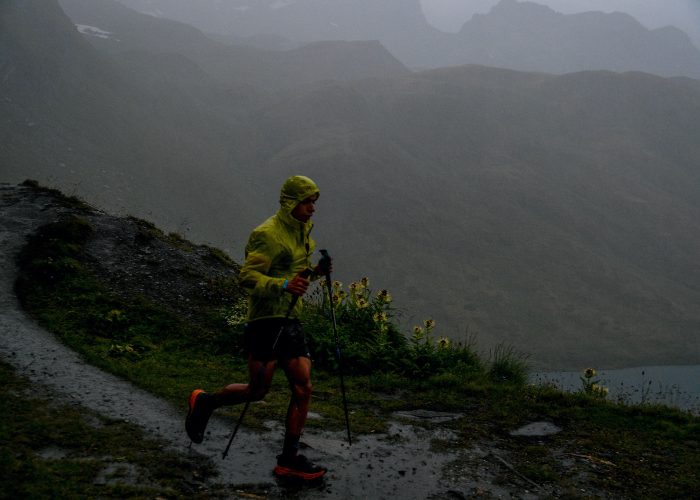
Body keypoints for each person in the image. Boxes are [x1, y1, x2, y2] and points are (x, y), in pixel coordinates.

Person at [185, 175, 331, 480]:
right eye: (306, 202)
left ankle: (288, 458)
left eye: (314, 202)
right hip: (264, 321)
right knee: (258, 390)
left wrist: (315, 273)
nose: (312, 208)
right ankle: (205, 402)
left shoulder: (304, 233)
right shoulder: (267, 234)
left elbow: (297, 278)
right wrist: (284, 284)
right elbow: (247, 277)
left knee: (303, 386)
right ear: (291, 202)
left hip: (290, 319)